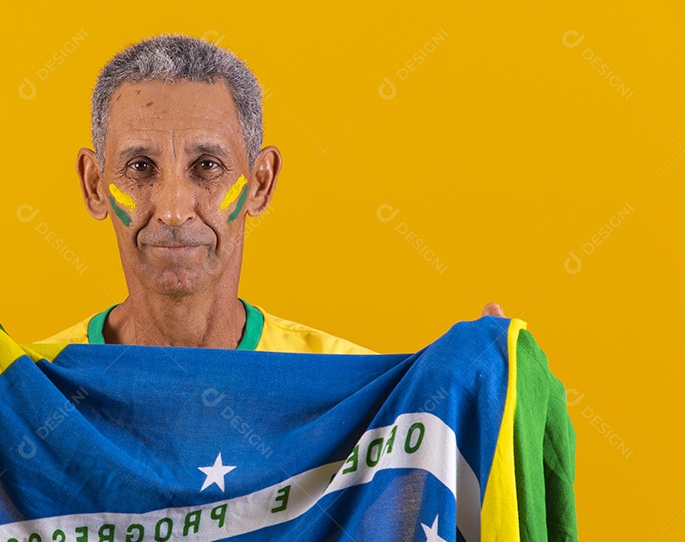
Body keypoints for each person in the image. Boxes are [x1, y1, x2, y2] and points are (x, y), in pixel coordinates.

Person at [35, 34, 503, 352]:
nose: (174, 210)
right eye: (140, 168)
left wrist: (483, 400)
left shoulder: (351, 393)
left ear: (261, 183)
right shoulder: (24, 393)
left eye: (207, 167)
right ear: (94, 185)